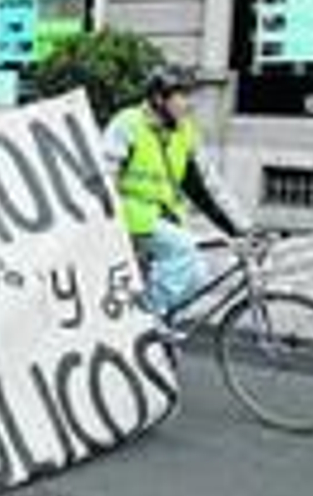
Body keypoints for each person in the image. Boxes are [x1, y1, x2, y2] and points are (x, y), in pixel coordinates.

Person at [102, 65, 251, 318]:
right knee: (183, 251)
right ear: (159, 98)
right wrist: (107, 222)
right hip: (131, 216)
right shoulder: (127, 123)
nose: (190, 104)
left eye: (191, 95)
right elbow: (105, 173)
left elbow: (208, 186)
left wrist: (243, 227)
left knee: (199, 275)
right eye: (182, 96)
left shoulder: (184, 132)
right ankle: (147, 322)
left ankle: (163, 324)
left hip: (164, 217)